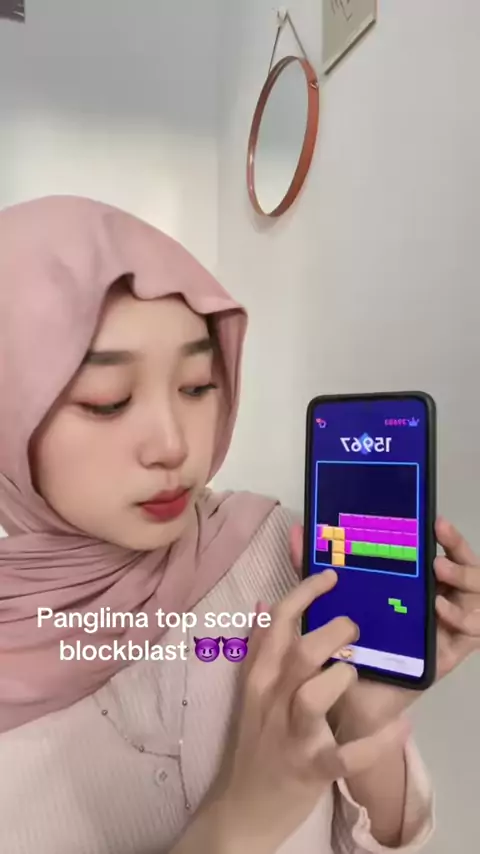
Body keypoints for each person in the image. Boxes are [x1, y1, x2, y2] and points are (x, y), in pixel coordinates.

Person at [0, 196, 478, 854]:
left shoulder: (285, 558)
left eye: (198, 385)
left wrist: (364, 720)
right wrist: (240, 822)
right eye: (107, 402)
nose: (174, 445)